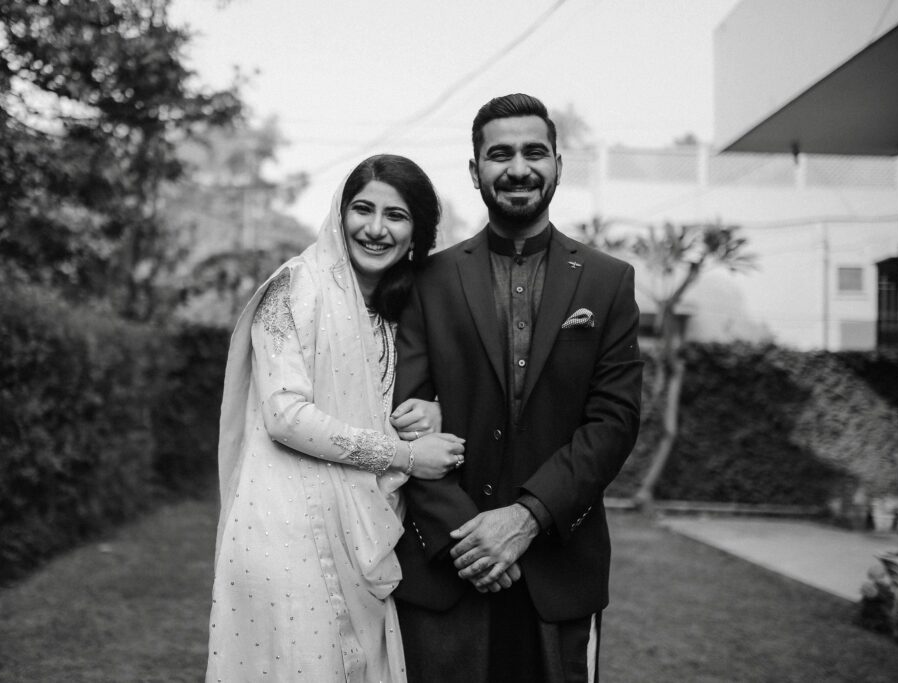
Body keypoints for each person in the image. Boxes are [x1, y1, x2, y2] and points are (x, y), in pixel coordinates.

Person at [390, 94, 644, 683]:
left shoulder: (609, 282)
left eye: (534, 152)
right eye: (499, 154)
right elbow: (400, 418)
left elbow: (614, 422)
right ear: (475, 170)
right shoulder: (428, 279)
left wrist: (526, 518)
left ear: (558, 162)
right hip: (445, 571)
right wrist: (471, 540)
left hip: (560, 566)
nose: (518, 167)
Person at [206, 154, 466, 682]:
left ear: (417, 231)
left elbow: (365, 404)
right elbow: (286, 415)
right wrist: (407, 456)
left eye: (395, 216)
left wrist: (429, 409)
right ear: (339, 213)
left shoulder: (395, 309)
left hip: (358, 530)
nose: (375, 229)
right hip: (284, 534)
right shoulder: (296, 287)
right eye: (362, 209)